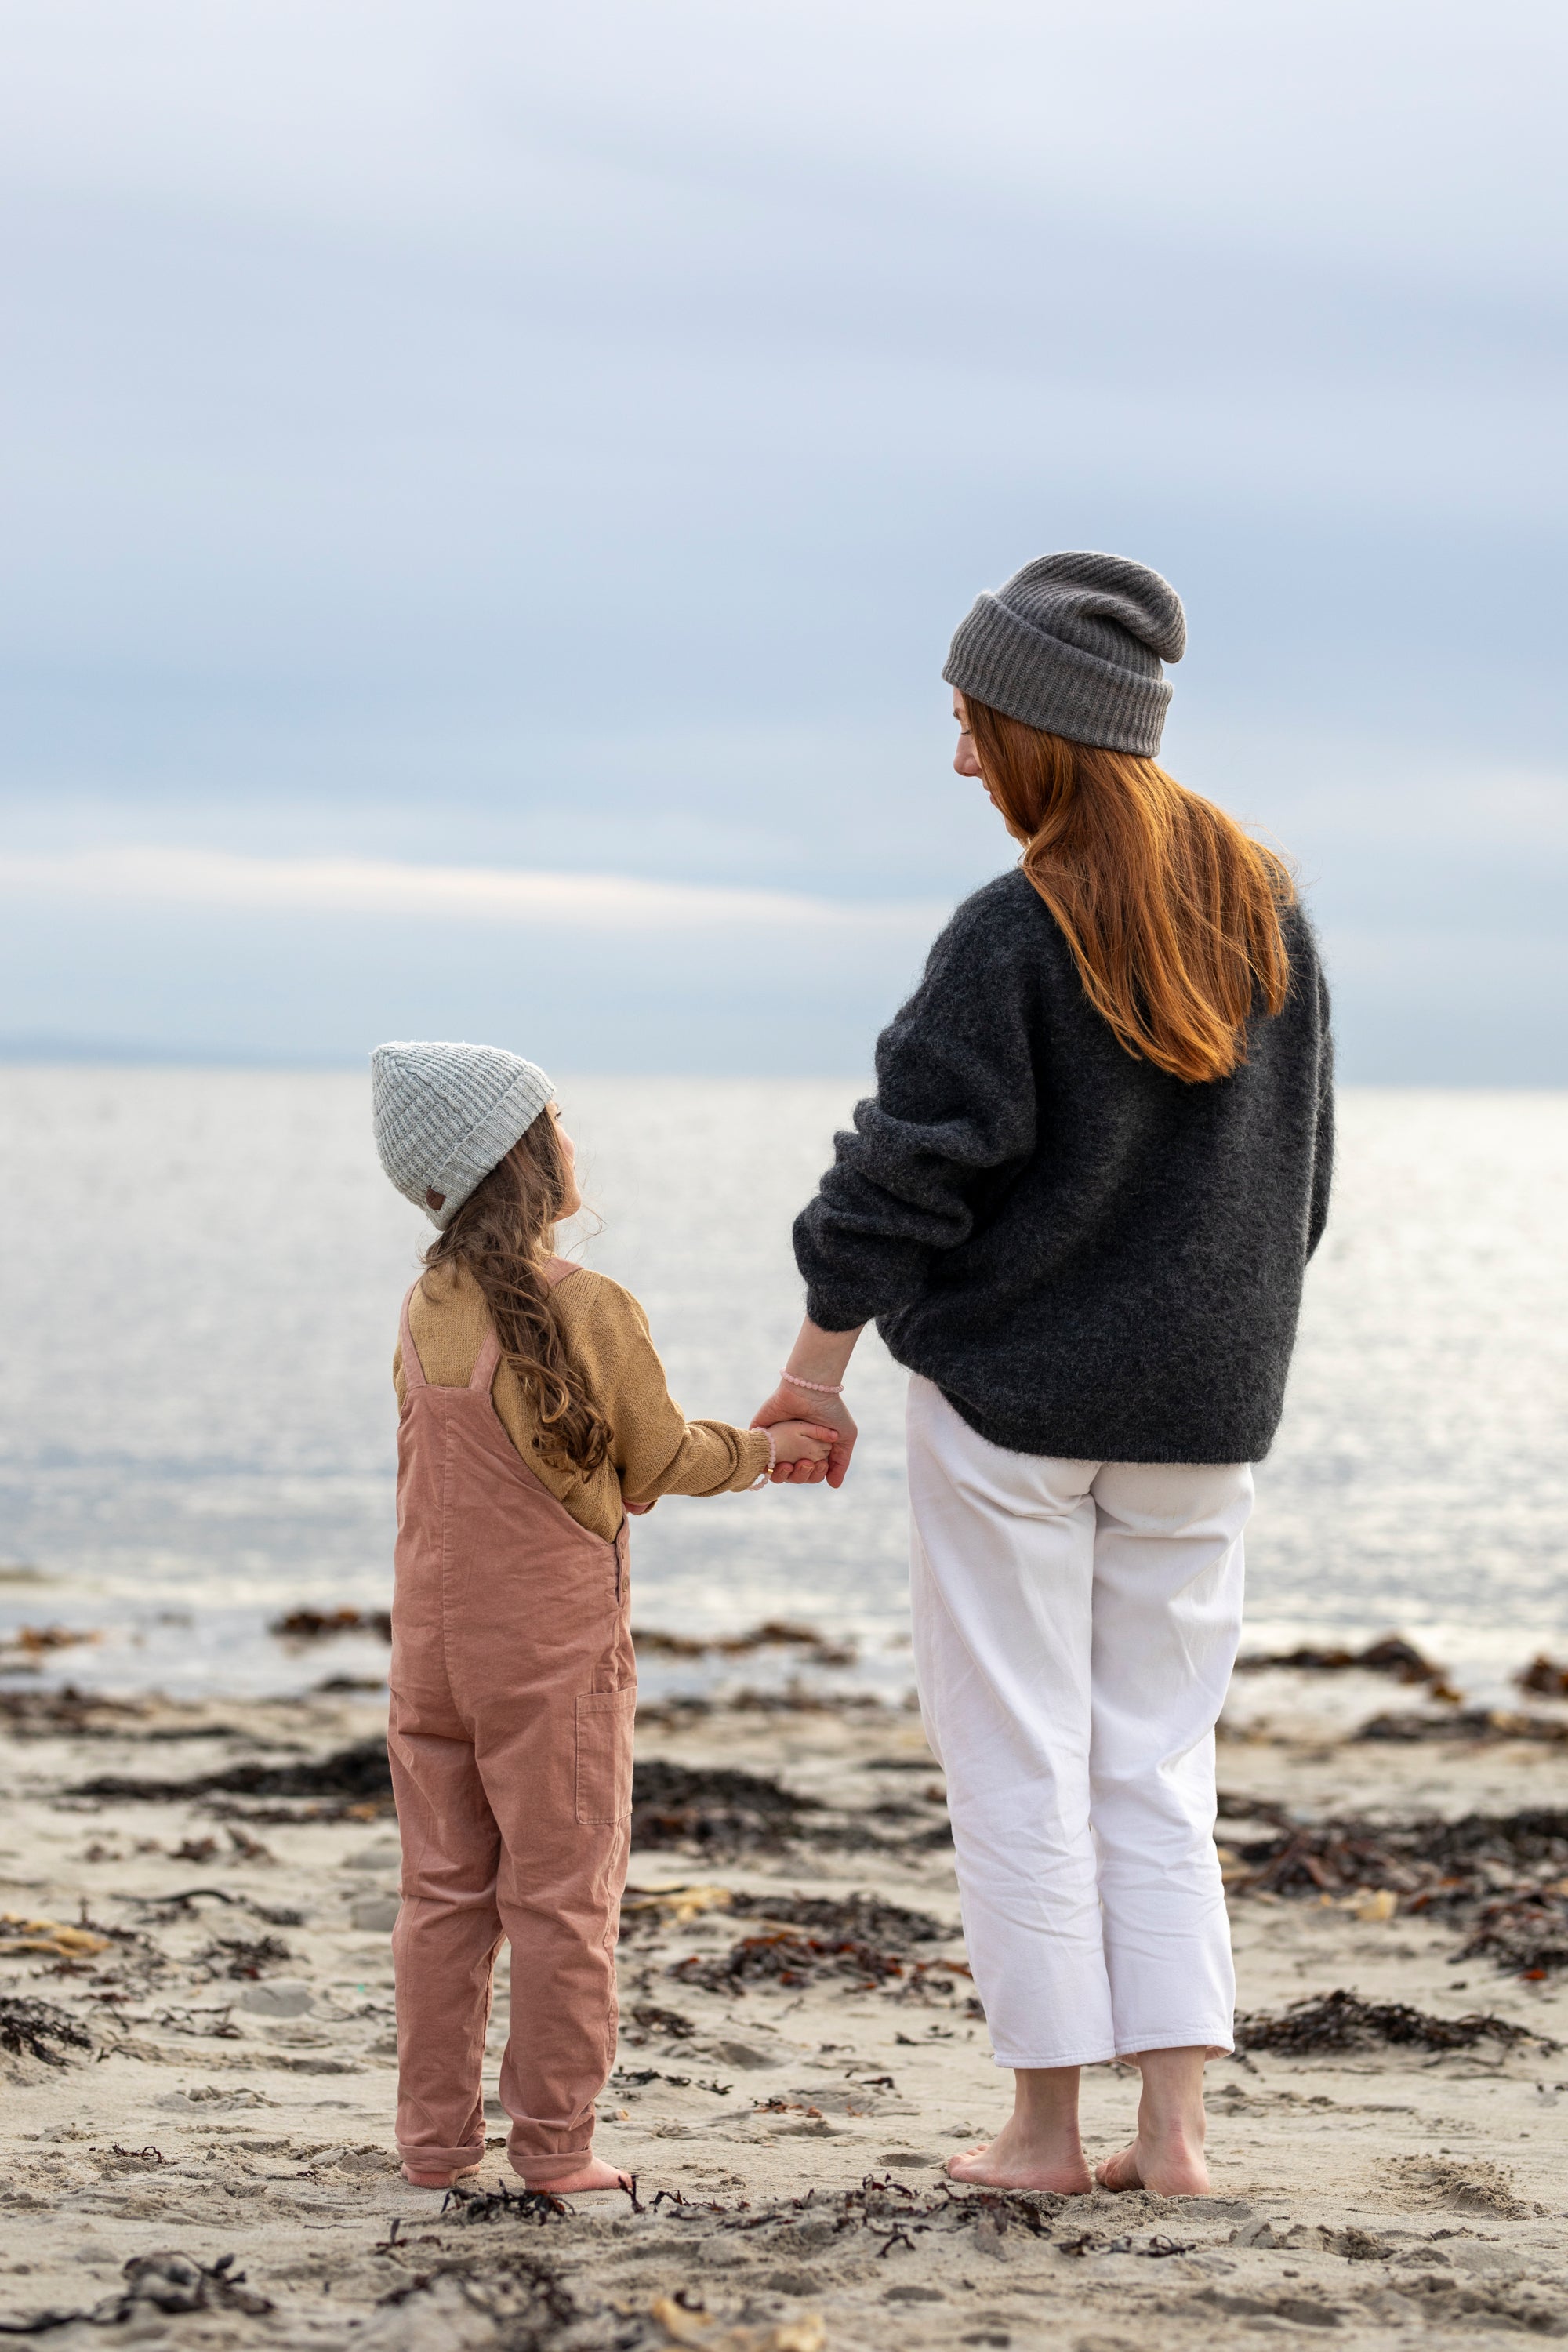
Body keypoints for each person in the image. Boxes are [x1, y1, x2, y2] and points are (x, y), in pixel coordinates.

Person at [753, 551, 1333, 2197]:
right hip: (1205, 1415)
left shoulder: (1015, 931)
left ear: (1041, 729)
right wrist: (1215, 1341)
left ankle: (1044, 2134)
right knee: (1155, 1759)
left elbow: (898, 1181)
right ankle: (1177, 2139)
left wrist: (812, 1375)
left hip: (1012, 1408)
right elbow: (1300, 1189)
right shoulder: (1268, 914)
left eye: (970, 722)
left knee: (1019, 1755)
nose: (959, 758)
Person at [370, 1040, 835, 2194]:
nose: (571, 1137)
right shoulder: (589, 1304)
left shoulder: (426, 1304)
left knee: (441, 1900)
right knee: (562, 1904)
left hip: (429, 1655)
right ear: (521, 1154)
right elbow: (660, 1458)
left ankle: (435, 2146)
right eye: (556, 1119)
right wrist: (769, 1449)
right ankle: (555, 2149)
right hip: (550, 1660)